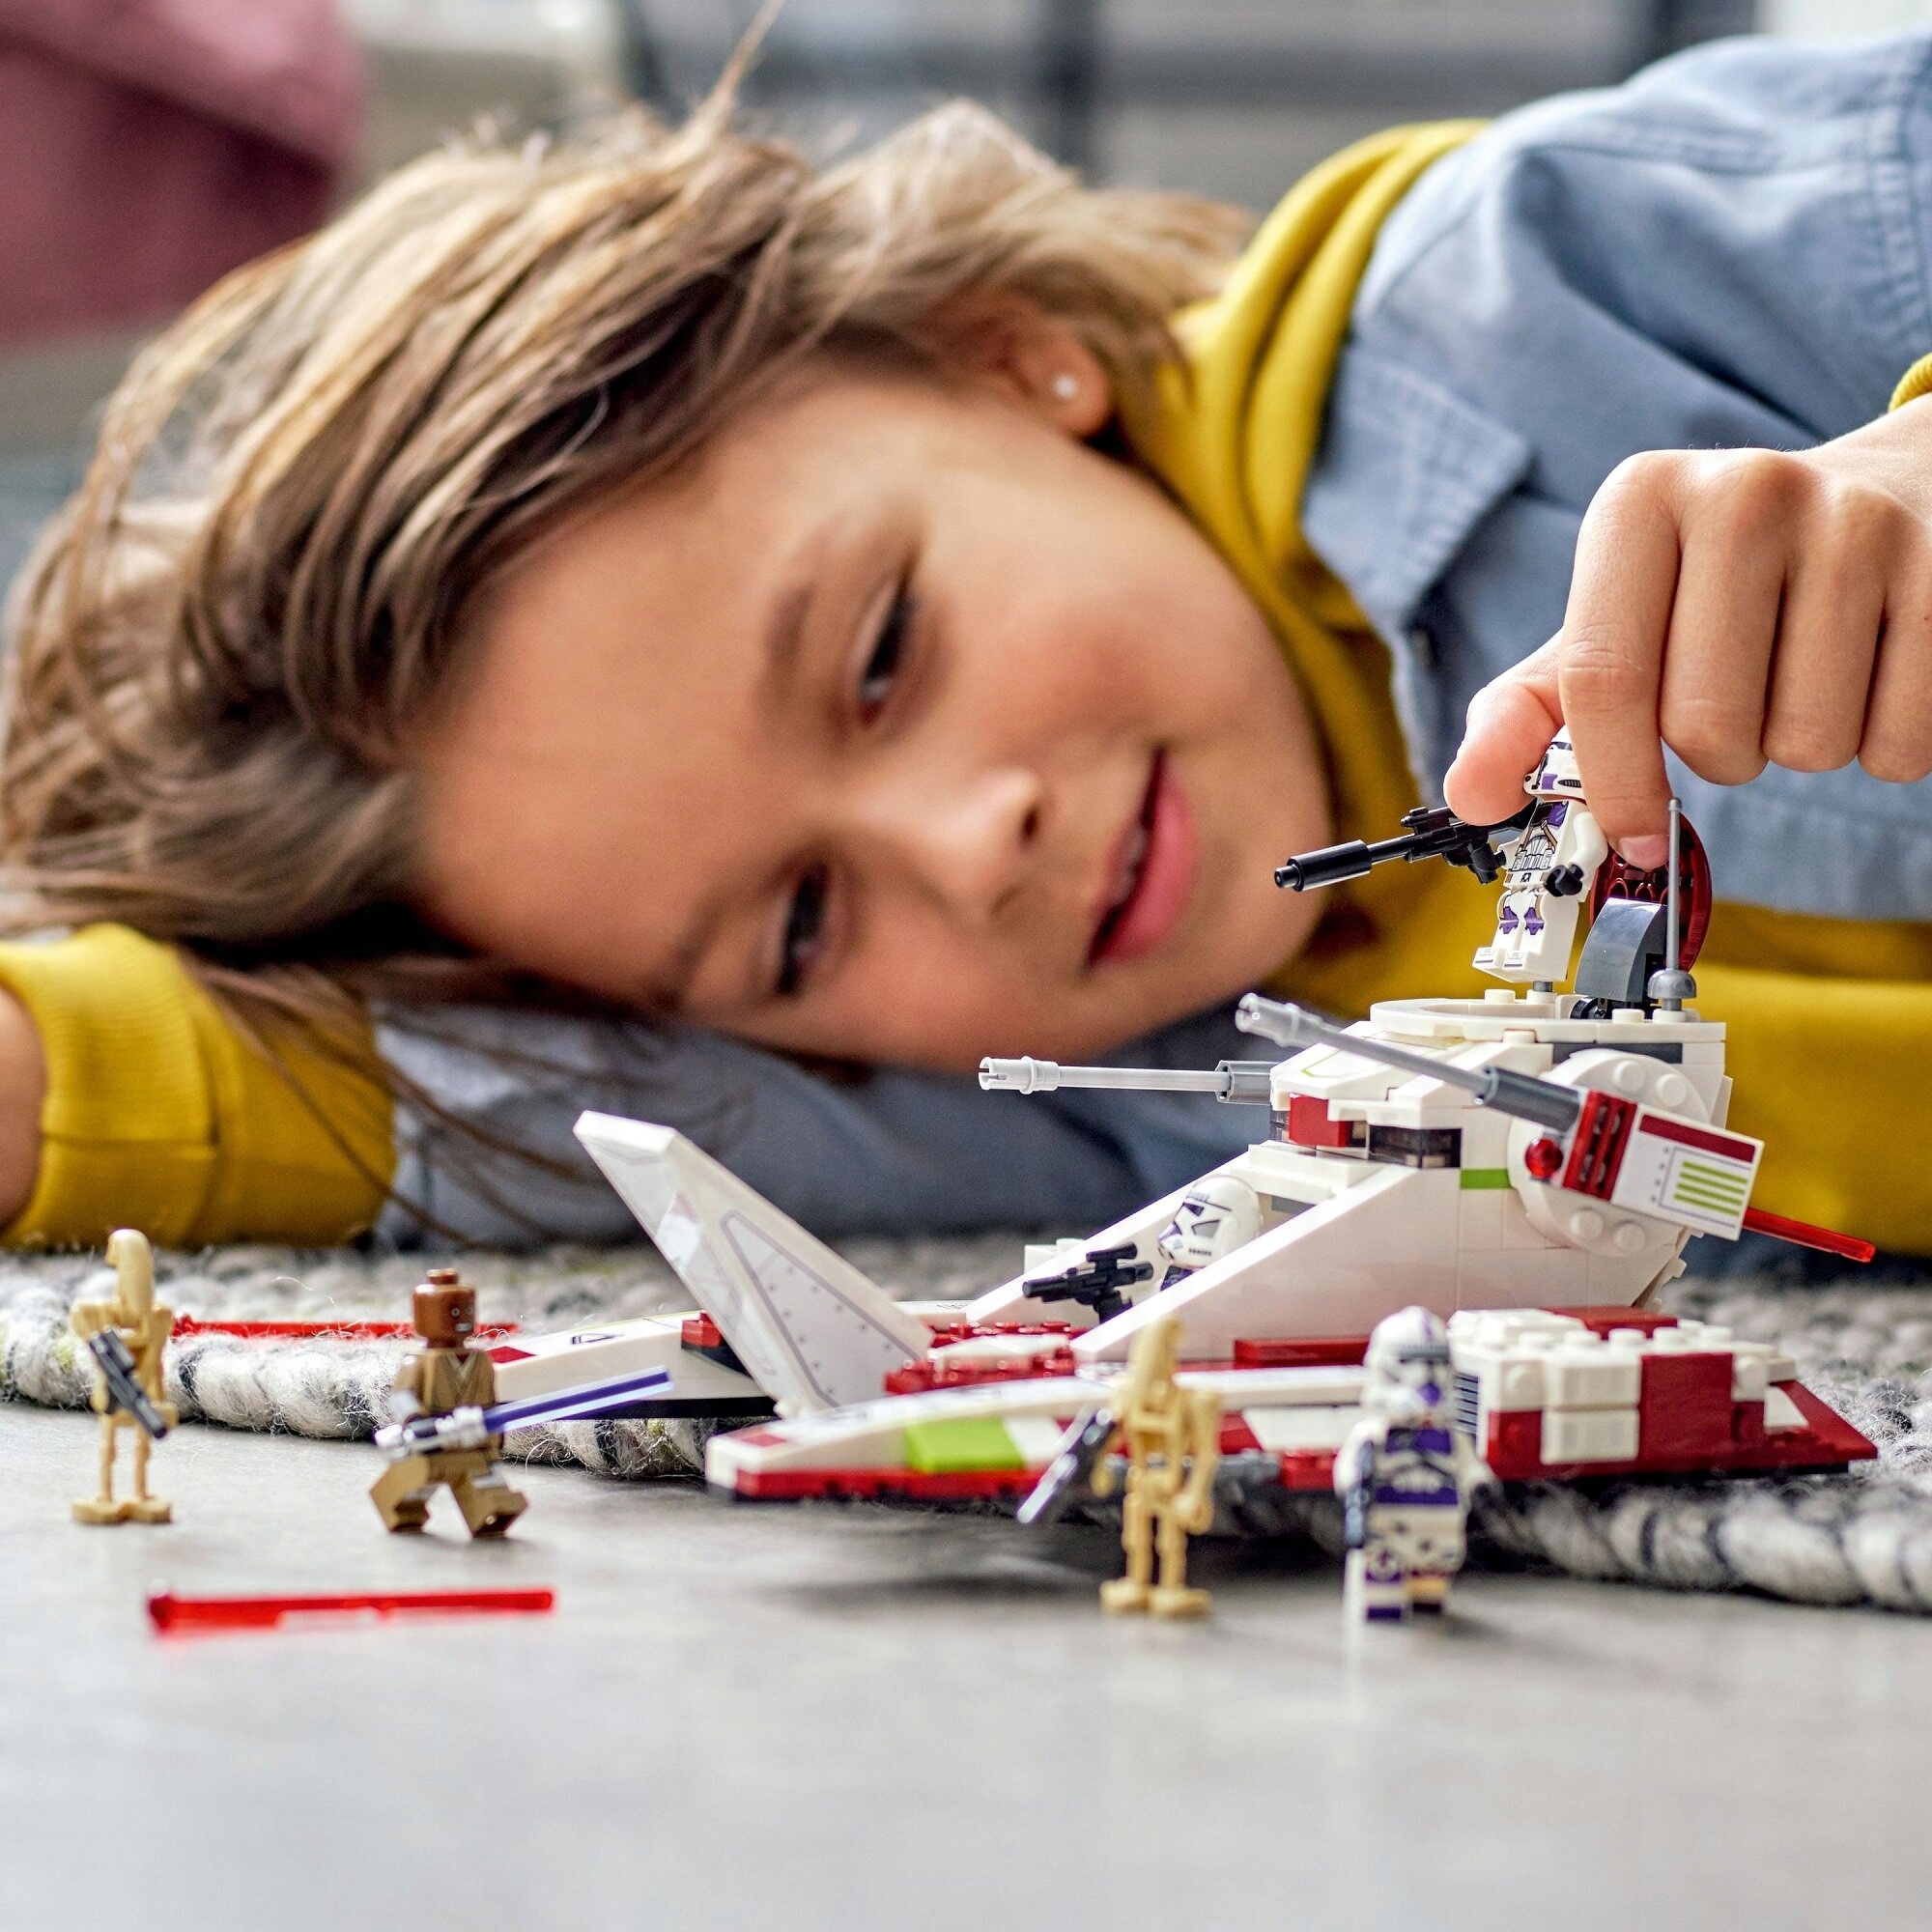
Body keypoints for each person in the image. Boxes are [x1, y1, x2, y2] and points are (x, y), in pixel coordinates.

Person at [1, 31, 1930, 1258]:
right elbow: (507, 1107)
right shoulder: (1130, 1100)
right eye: (798, 929)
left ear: (1006, 352)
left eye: (880, 658)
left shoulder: (1586, 267)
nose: (963, 846)